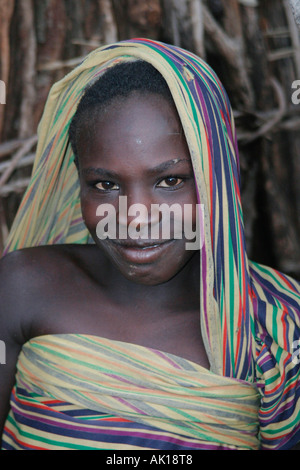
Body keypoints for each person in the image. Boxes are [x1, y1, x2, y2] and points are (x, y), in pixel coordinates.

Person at [0, 38, 299, 450]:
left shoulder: (277, 329)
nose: (135, 216)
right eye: (105, 185)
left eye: (170, 181)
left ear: (217, 175)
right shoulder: (23, 287)